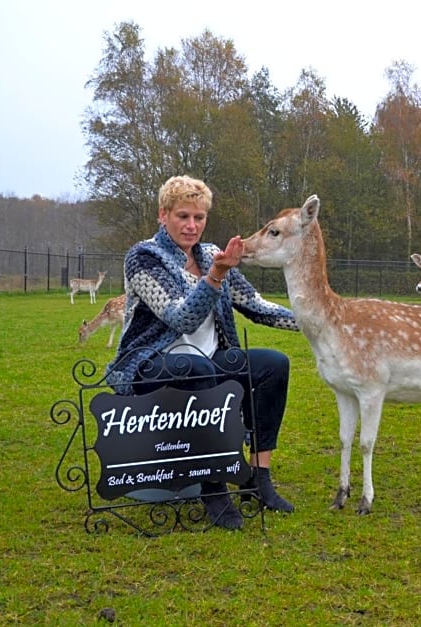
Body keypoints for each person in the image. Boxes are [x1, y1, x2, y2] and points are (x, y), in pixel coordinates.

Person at [106, 175, 299, 530]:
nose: (192, 225)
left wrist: (318, 321)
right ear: (163, 215)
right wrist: (215, 277)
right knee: (197, 369)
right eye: (183, 216)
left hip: (208, 362)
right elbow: (181, 316)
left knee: (273, 364)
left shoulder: (211, 254)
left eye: (199, 217)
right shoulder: (144, 258)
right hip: (150, 368)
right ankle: (214, 485)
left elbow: (255, 305)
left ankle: (258, 477)